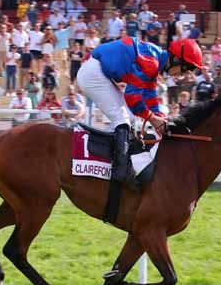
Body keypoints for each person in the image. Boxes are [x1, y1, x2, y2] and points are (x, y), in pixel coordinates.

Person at [77, 37, 203, 182]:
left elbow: (149, 95)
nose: (180, 75)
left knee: (128, 119)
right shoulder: (151, 62)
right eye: (183, 69)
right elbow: (132, 97)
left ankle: (118, 162)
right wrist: (152, 118)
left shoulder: (154, 59)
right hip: (93, 74)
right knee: (122, 118)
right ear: (175, 59)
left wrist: (161, 117)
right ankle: (120, 171)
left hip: (99, 72)